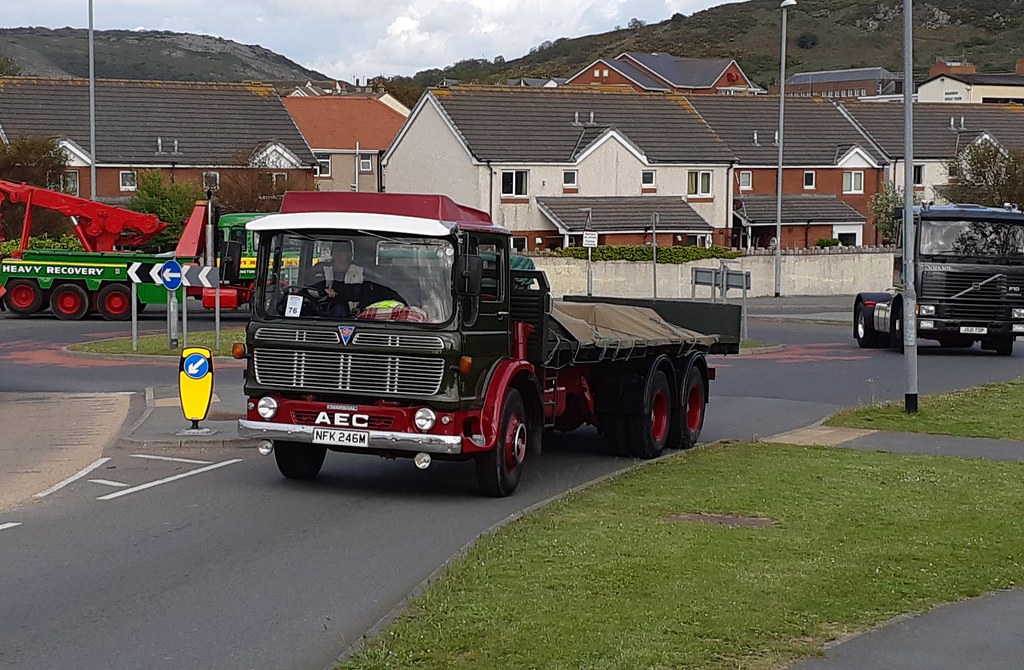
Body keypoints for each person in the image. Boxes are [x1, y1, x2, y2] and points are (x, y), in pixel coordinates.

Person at [315, 240, 363, 317]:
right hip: (319, 311)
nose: (339, 255)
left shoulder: (360, 271)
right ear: (332, 253)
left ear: (350, 254)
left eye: (344, 251)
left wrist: (361, 308)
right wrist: (323, 291)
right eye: (337, 251)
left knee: (339, 309)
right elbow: (310, 285)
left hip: (350, 313)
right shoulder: (322, 268)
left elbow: (366, 293)